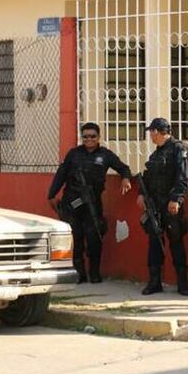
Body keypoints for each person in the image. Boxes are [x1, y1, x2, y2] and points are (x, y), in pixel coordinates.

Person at [48, 122, 132, 284]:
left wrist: (126, 178)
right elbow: (61, 174)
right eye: (85, 137)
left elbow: (123, 167)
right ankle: (79, 273)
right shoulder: (73, 154)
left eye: (92, 136)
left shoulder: (105, 155)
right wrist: (51, 195)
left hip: (92, 203)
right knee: (76, 239)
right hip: (72, 203)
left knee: (95, 239)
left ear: (98, 137)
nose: (89, 140)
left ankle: (94, 273)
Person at [137, 117, 188, 296]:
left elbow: (182, 177)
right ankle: (154, 281)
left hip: (170, 204)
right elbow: (148, 177)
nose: (151, 136)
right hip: (155, 204)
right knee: (154, 242)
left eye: (152, 132)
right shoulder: (156, 154)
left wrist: (176, 199)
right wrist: (141, 194)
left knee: (176, 240)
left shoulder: (178, 149)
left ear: (157, 132)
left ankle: (182, 283)